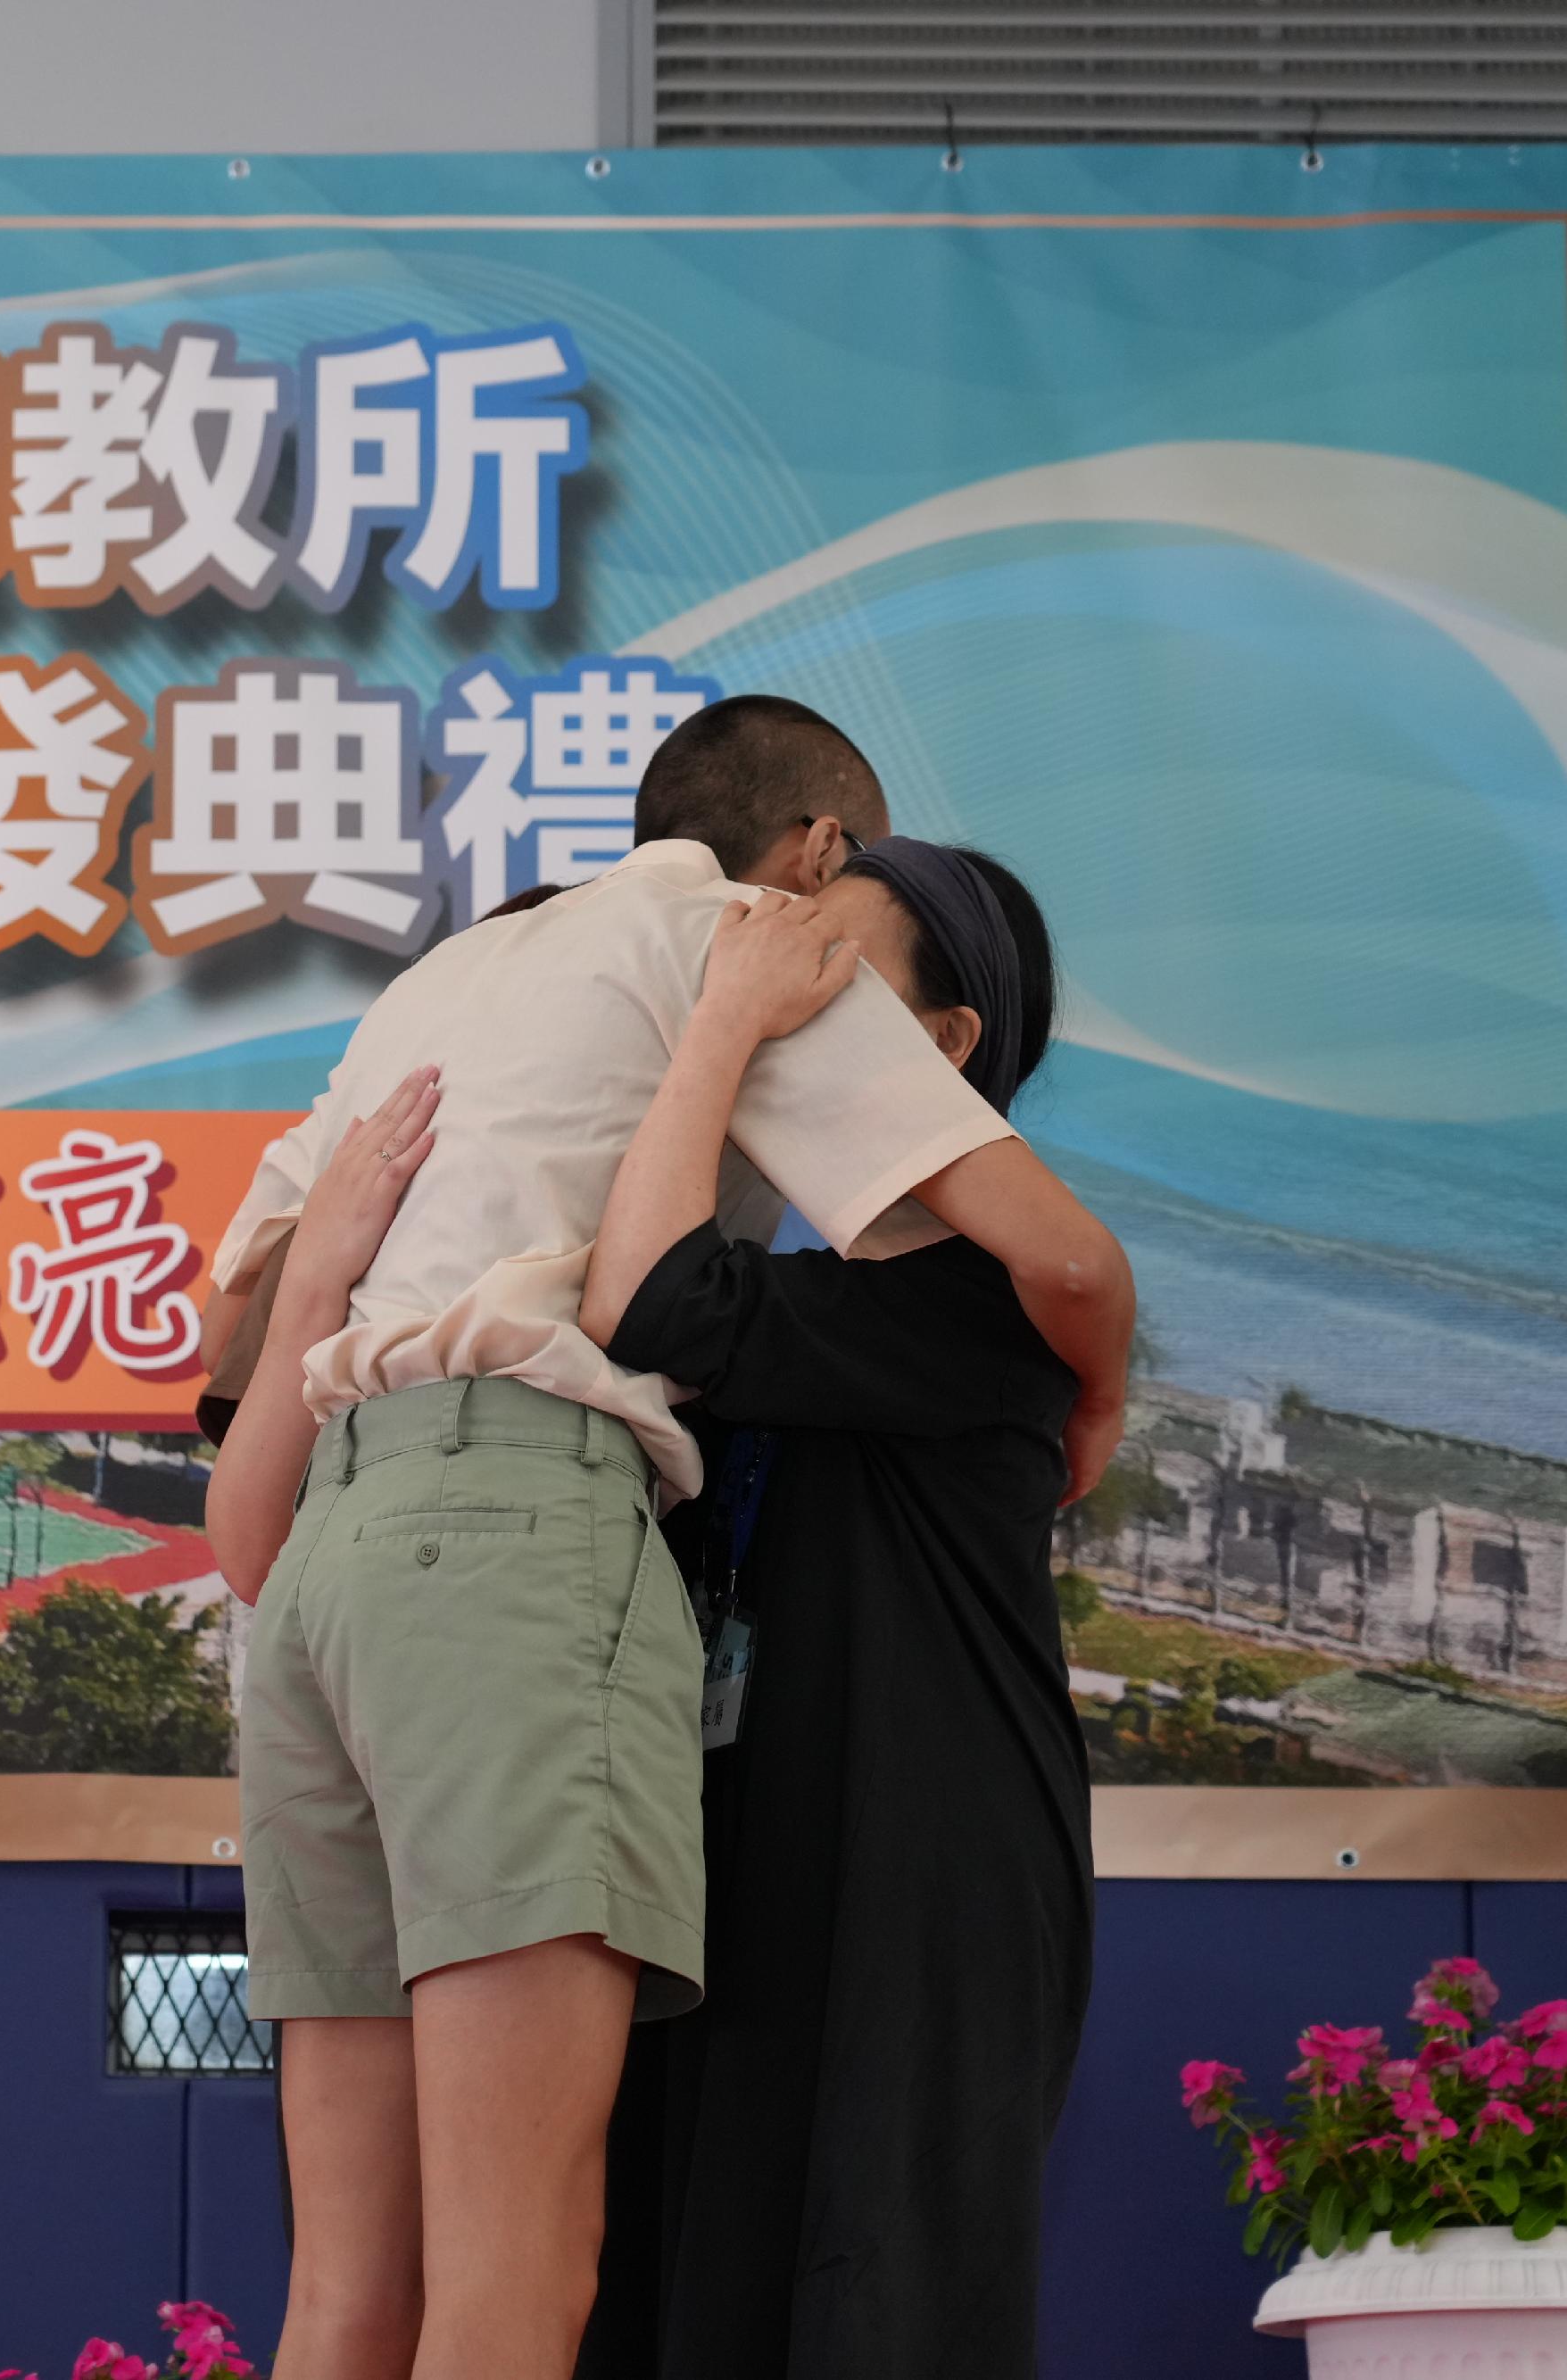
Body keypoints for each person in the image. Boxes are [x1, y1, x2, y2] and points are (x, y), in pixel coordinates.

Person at [195, 698, 1132, 2380]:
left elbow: (239, 1423)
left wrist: (332, 1287)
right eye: (810, 933)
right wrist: (1107, 1392)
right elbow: (687, 1293)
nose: (800, 976)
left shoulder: (451, 983)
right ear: (809, 858)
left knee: (360, 2286)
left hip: (345, 1573)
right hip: (503, 1569)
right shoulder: (736, 956)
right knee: (519, 2280)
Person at [567, 842, 1094, 2380]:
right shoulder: (814, 1288)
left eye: (820, 982)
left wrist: (718, 1034)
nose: (770, 1001)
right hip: (748, 1856)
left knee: (882, 2295)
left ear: (941, 1053)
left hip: (927, 1869)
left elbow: (656, 1304)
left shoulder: (992, 1294)